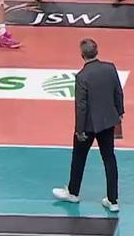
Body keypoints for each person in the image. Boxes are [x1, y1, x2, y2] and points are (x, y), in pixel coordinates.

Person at [53, 39, 125, 212]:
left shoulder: (82, 77)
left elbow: (81, 106)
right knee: (109, 158)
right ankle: (113, 200)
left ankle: (73, 192)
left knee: (79, 157)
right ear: (96, 51)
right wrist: (119, 113)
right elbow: (118, 92)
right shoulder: (110, 68)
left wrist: (79, 130)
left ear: (82, 55)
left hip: (88, 125)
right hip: (107, 122)